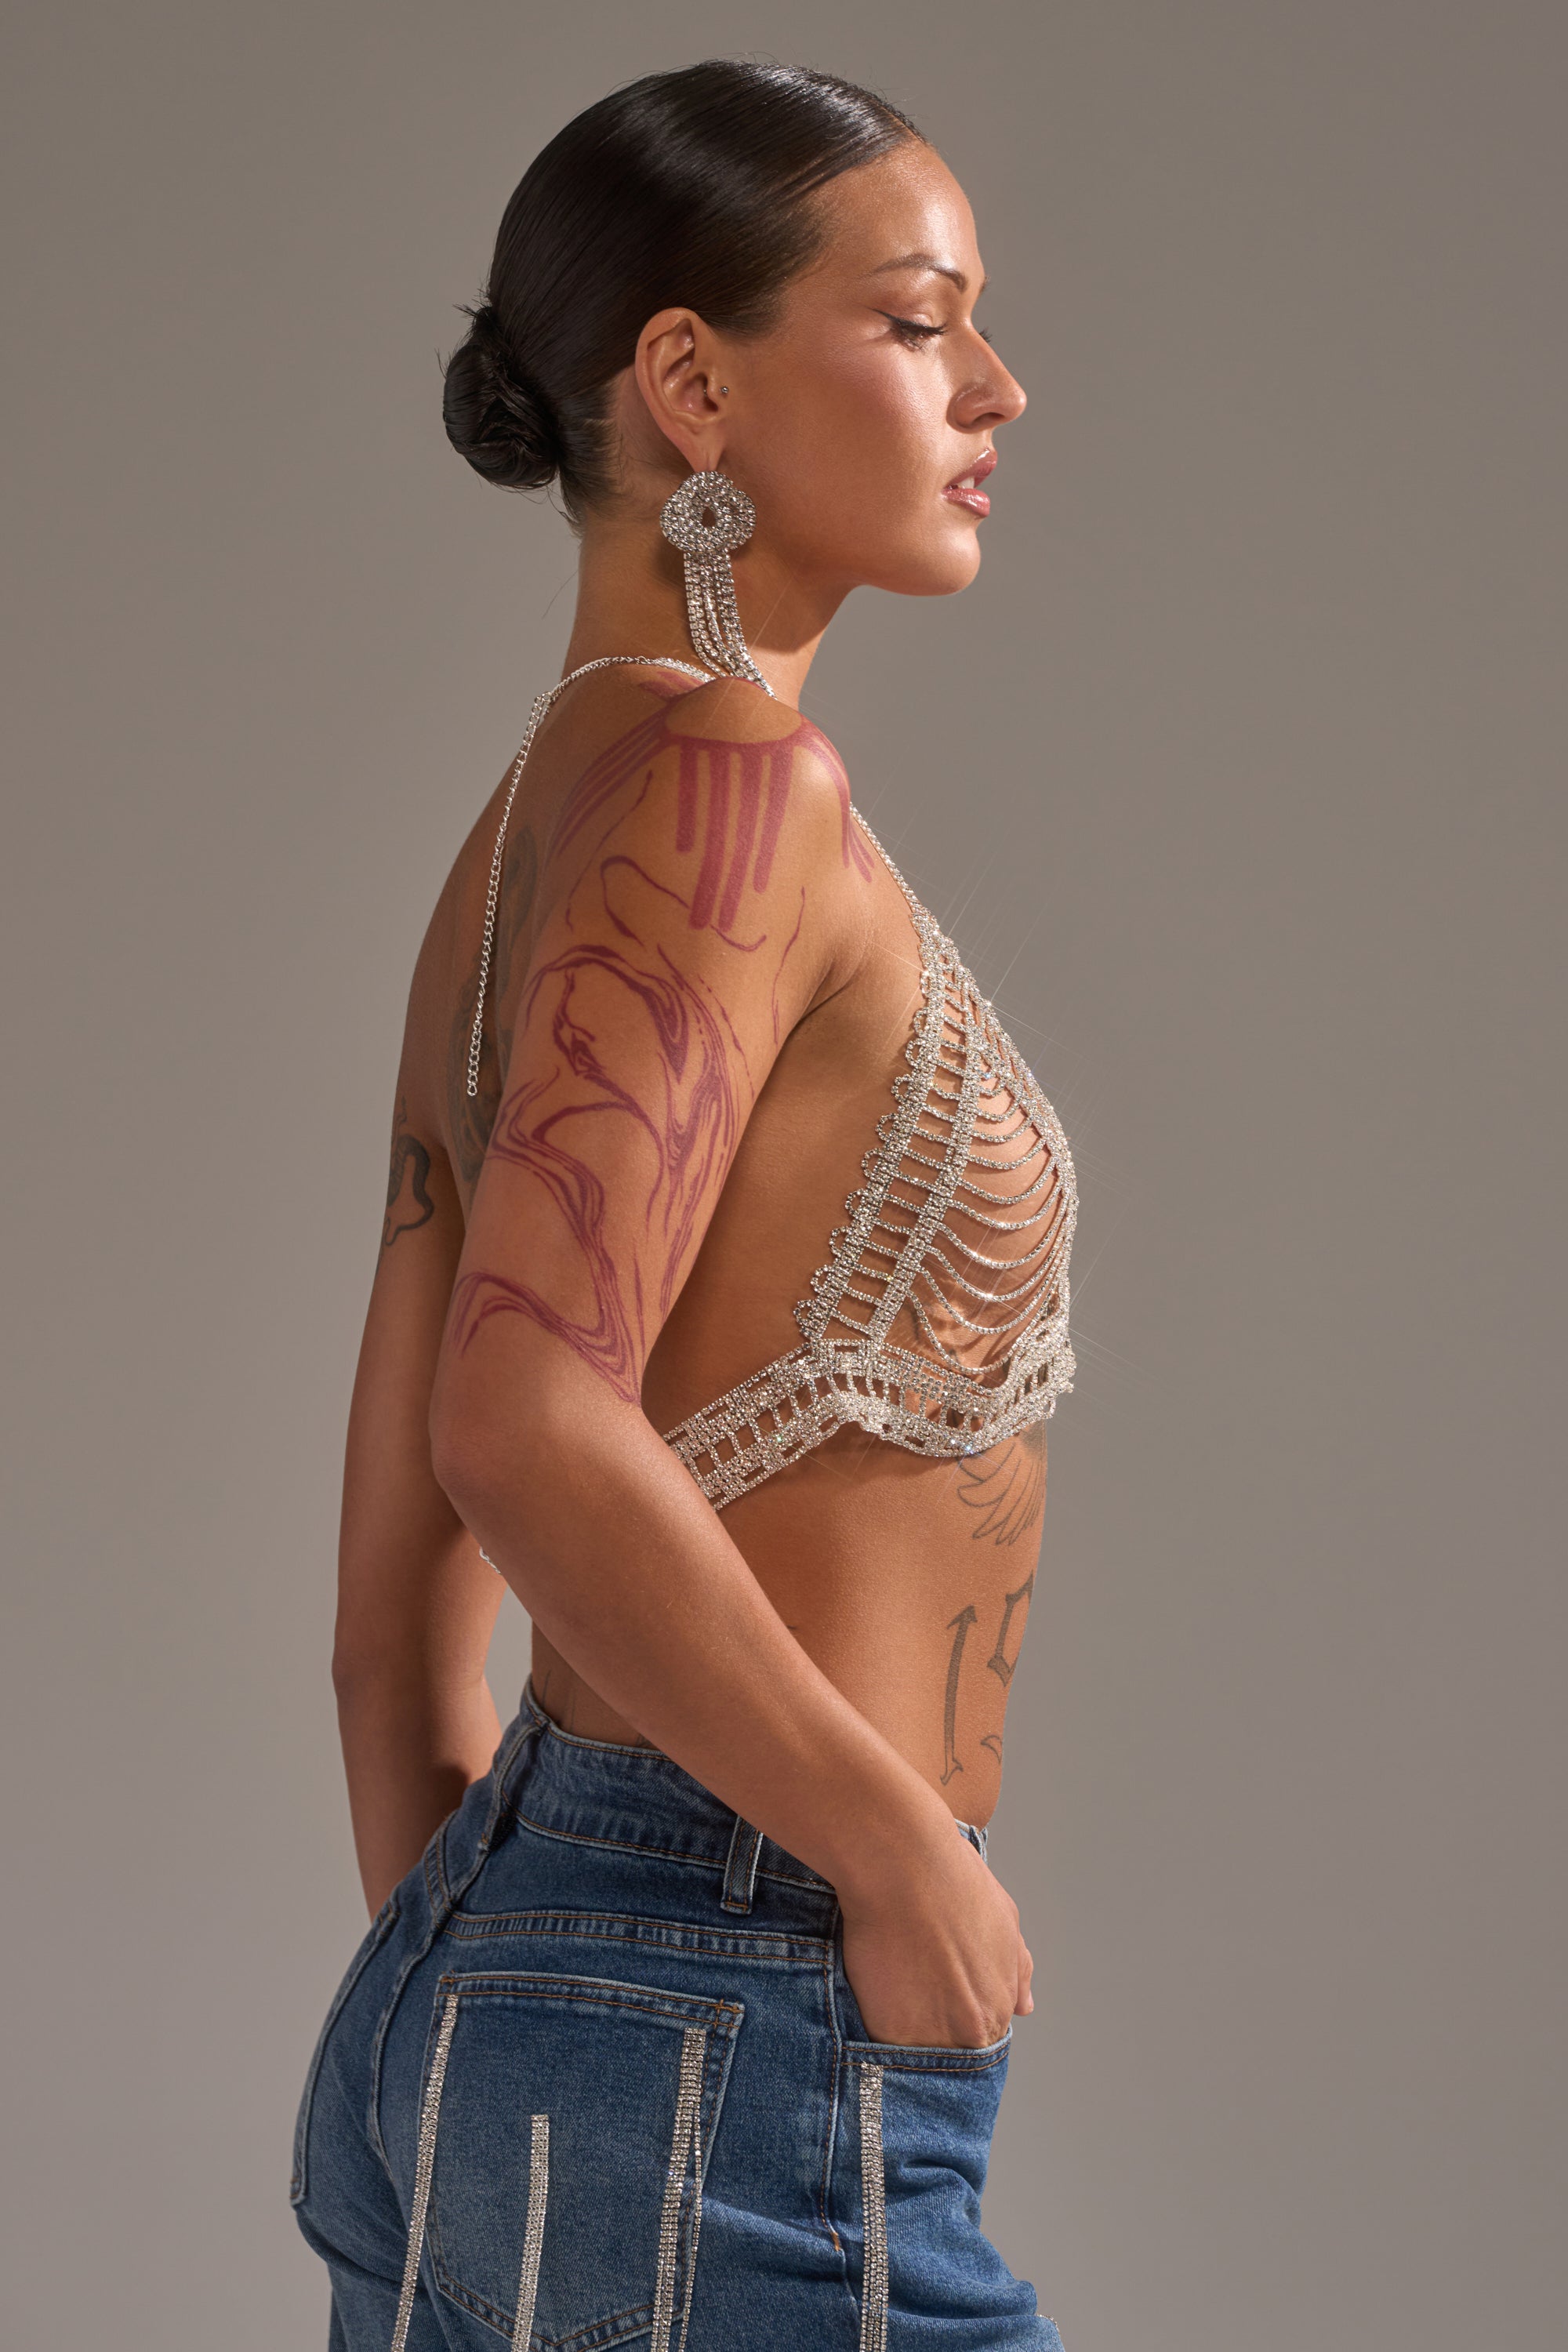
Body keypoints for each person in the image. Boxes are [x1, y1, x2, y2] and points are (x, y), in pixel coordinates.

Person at [291, 60, 1076, 2352]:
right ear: (690, 383)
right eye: (918, 321)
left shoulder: (518, 840)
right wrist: (892, 1862)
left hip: (552, 1992)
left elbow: (386, 1631)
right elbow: (520, 1423)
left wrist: (499, 1993)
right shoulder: (728, 780)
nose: (996, 386)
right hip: (738, 1995)